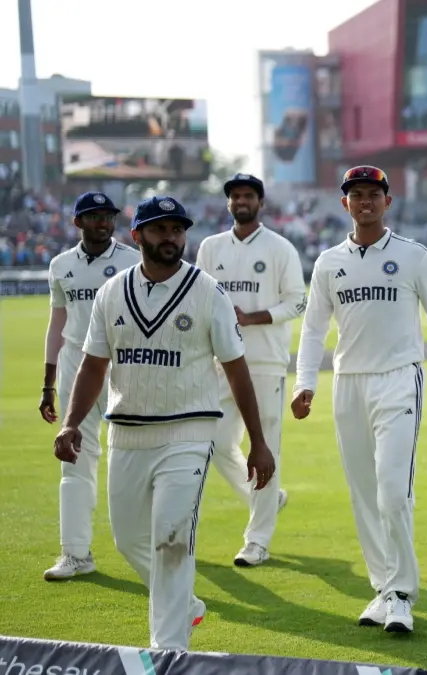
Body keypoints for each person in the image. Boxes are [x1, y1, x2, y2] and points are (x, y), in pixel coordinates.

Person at [54, 196, 275, 650]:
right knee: (128, 539)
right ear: (137, 235)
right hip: (127, 433)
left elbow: (237, 371)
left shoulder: (208, 291)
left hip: (189, 433)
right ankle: (185, 605)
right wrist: (71, 422)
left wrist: (258, 441)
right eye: (159, 229)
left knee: (171, 540)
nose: (171, 238)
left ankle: (168, 651)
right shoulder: (111, 293)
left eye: (177, 229)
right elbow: (93, 365)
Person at [291, 166, 427, 635]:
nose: (365, 201)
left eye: (373, 194)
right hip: (348, 382)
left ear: (388, 202)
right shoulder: (329, 262)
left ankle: (402, 595)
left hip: (398, 378)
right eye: (356, 195)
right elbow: (313, 328)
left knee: (393, 492)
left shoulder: (414, 256)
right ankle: (384, 588)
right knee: (364, 495)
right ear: (344, 204)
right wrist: (304, 382)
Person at [196, 173, 306, 567]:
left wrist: (252, 317)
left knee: (266, 449)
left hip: (264, 361)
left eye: (248, 196)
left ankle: (257, 540)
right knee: (214, 443)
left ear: (260, 202)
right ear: (228, 203)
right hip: (220, 362)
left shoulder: (280, 248)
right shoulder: (210, 247)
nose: (241, 201)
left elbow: (297, 302)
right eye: (235, 196)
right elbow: (200, 297)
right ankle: (267, 501)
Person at [40, 192, 140, 581]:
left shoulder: (132, 261)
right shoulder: (61, 265)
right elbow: (57, 325)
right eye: (94, 216)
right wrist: (48, 385)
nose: (102, 222)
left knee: (131, 463)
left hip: (122, 373)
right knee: (74, 463)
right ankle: (76, 554)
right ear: (77, 222)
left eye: (108, 216)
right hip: (74, 373)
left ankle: (150, 547)